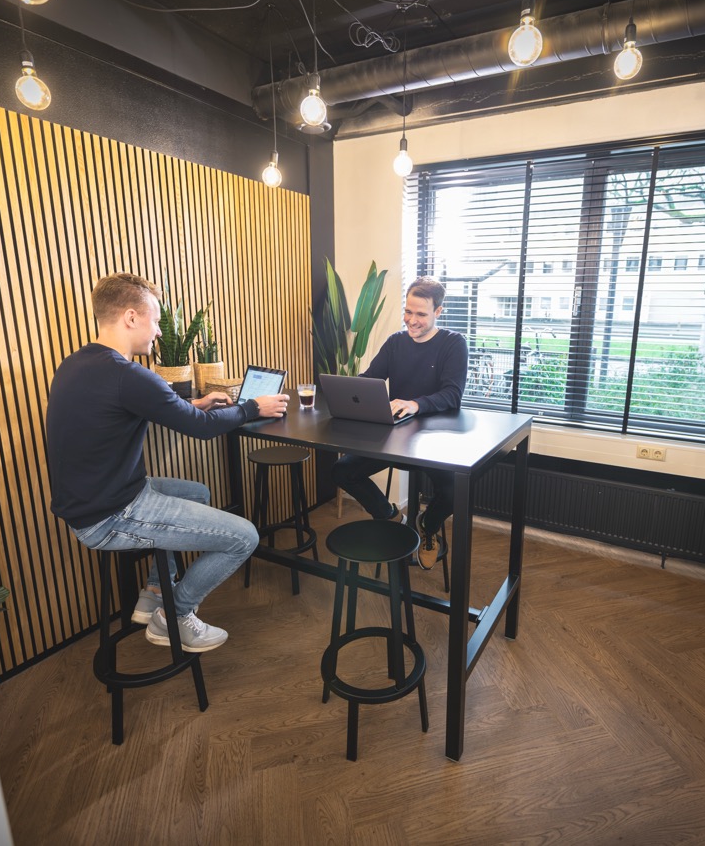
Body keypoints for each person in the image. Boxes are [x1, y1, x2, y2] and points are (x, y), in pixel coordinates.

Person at [46, 272, 289, 653]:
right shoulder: (127, 374)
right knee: (244, 537)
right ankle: (173, 615)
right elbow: (203, 429)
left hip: (91, 501)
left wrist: (193, 404)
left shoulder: (77, 364)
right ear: (130, 317)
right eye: (155, 320)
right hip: (110, 515)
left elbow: (129, 408)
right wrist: (252, 407)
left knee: (196, 492)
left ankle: (157, 587)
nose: (158, 331)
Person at [331, 277, 468, 570]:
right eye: (408, 312)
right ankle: (391, 517)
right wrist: (345, 389)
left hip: (436, 438)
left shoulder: (453, 343)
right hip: (396, 436)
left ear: (438, 312)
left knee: (455, 489)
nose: (412, 320)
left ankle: (427, 526)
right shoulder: (396, 342)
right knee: (342, 470)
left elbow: (452, 394)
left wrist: (415, 404)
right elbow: (371, 378)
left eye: (421, 314)